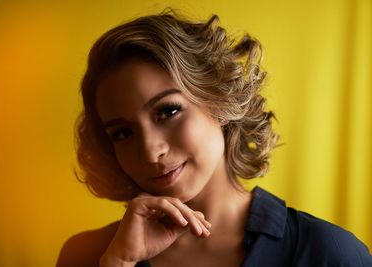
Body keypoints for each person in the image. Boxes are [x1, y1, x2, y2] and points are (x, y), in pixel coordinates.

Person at [56, 9, 372, 267]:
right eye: (123, 133)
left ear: (218, 100)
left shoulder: (329, 254)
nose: (151, 151)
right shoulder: (86, 256)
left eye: (167, 112)